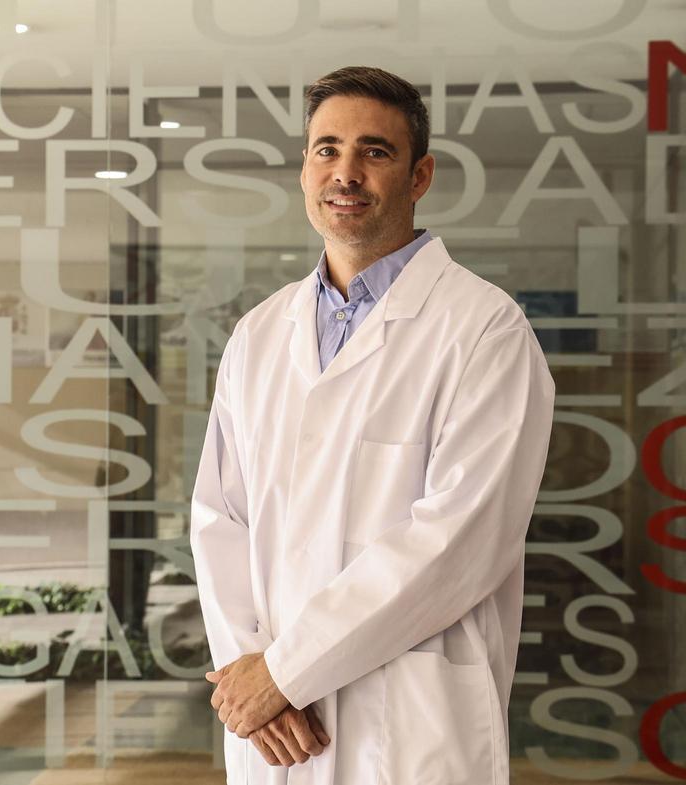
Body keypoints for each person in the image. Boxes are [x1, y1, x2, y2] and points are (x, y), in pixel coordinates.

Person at [190, 65, 556, 785]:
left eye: (374, 152)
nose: (345, 172)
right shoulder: (259, 334)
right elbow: (219, 520)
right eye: (326, 149)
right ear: (304, 170)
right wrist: (253, 682)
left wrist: (285, 671)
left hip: (408, 725)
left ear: (419, 176)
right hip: (274, 734)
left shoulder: (485, 330)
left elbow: (459, 540)